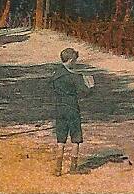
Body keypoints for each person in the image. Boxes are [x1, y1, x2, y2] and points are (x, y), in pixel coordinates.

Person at [52, 47, 93, 175]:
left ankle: (58, 169)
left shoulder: (56, 75)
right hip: (72, 108)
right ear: (70, 60)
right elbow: (85, 92)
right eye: (74, 60)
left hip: (59, 108)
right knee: (75, 137)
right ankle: (73, 168)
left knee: (61, 139)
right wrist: (90, 86)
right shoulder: (75, 77)